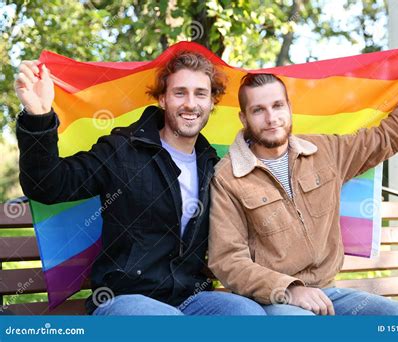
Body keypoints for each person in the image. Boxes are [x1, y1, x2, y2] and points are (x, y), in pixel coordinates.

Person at [208, 33, 398, 315]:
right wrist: (290, 289)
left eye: (278, 106)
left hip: (330, 295)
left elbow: (389, 135)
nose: (271, 118)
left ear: (290, 109)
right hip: (273, 300)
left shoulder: (324, 151)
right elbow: (227, 260)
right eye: (258, 110)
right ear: (244, 118)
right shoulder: (228, 177)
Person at [14, 51, 266, 316]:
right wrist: (39, 116)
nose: (191, 104)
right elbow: (47, 185)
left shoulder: (213, 165)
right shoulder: (121, 150)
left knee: (249, 315)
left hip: (189, 298)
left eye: (200, 94)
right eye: (180, 93)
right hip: (123, 299)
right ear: (162, 99)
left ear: (211, 102)